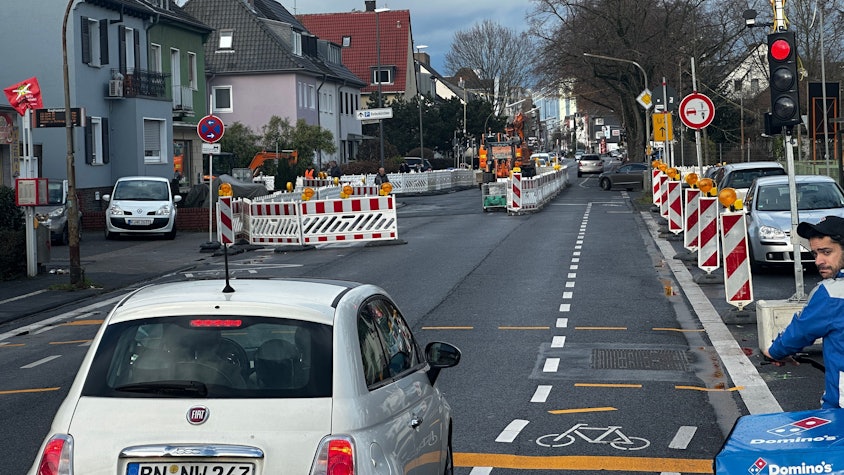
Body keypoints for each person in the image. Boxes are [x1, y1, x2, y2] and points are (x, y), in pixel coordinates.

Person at [763, 215, 844, 408]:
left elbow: (801, 331)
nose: (818, 261)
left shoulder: (831, 293)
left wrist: (775, 352)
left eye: (826, 252)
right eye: (815, 253)